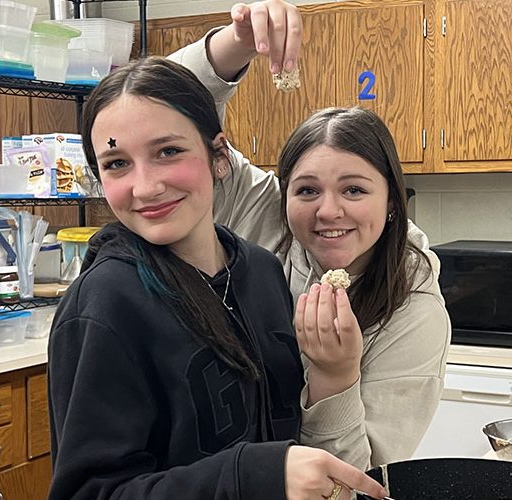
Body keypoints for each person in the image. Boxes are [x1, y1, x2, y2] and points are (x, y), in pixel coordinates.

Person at [46, 36, 390, 500]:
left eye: (168, 151)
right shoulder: (105, 306)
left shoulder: (263, 273)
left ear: (218, 156)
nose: (145, 187)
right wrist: (254, 477)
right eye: (117, 163)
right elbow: (89, 493)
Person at [168, 1, 452, 471]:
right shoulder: (263, 213)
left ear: (392, 202)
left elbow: (360, 478)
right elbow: (158, 105)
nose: (328, 211)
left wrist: (335, 376)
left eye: (355, 189)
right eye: (306, 190)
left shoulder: (413, 310)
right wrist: (236, 45)